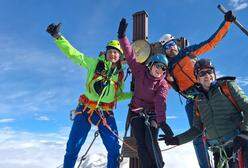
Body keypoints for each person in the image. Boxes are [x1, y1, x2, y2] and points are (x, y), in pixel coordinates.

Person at [46, 23, 131, 168]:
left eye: (116, 52)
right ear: (106, 53)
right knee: (73, 146)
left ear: (120, 55)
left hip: (105, 113)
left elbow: (118, 95)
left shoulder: (120, 74)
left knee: (114, 148)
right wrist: (58, 37)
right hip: (85, 109)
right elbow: (73, 54)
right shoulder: (94, 64)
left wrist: (134, 94)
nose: (113, 54)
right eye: (110, 51)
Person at [158, 11, 236, 168]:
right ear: (164, 50)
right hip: (192, 101)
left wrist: (226, 23)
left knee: (224, 127)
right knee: (198, 136)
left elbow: (210, 42)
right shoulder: (169, 68)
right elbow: (167, 85)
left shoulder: (189, 52)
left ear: (176, 44)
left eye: (172, 44)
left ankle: (234, 159)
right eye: (167, 47)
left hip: (208, 92)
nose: (171, 48)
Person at [161, 59, 248, 168]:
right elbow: (197, 129)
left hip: (240, 141)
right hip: (218, 151)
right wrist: (177, 140)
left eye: (209, 71)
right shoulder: (197, 101)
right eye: (202, 73)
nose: (207, 75)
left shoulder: (227, 86)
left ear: (214, 74)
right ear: (197, 78)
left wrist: (246, 132)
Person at [118, 18, 172, 168]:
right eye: (157, 66)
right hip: (136, 113)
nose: (159, 70)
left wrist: (162, 121)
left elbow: (161, 101)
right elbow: (130, 55)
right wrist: (122, 37)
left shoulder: (163, 84)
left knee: (151, 141)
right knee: (141, 144)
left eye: (163, 68)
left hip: (153, 115)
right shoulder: (140, 71)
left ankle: (158, 166)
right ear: (151, 65)